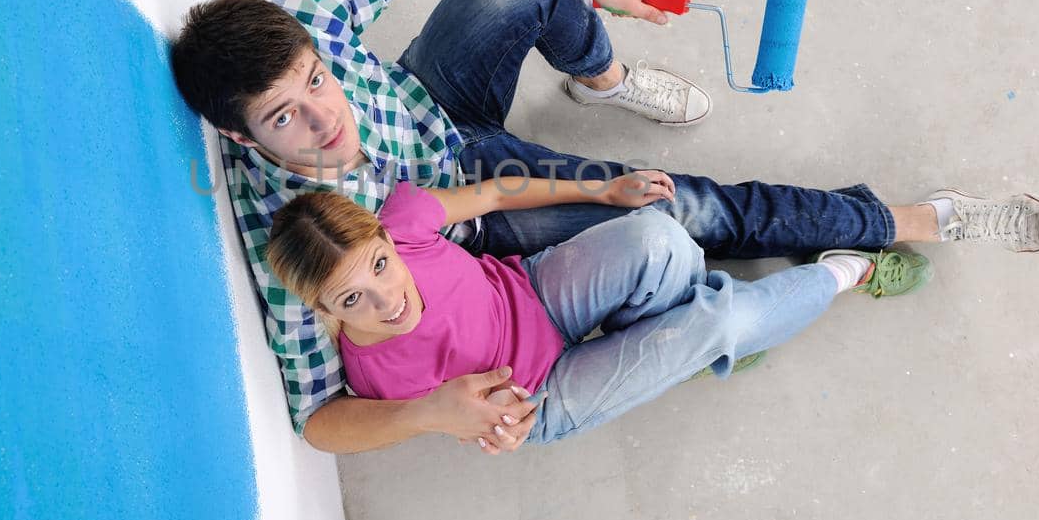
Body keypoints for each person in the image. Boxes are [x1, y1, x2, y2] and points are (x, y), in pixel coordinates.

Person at [170, 0, 1039, 455]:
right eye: (286, 118)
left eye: (317, 82)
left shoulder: (309, 17)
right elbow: (319, 414)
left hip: (432, 105)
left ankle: (601, 77)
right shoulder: (284, 231)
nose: (327, 117)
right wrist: (431, 414)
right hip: (463, 216)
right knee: (687, 204)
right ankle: (910, 220)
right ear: (233, 131)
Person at [265, 172, 931, 449]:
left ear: (385, 238)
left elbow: (495, 192)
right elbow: (321, 428)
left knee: (660, 234)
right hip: (536, 396)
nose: (388, 299)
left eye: (380, 266)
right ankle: (849, 271)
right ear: (324, 308)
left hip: (534, 291)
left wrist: (603, 190)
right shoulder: (375, 373)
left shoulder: (405, 220)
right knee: (723, 322)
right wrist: (439, 413)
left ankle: (685, 349)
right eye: (353, 299)